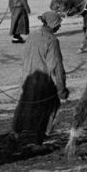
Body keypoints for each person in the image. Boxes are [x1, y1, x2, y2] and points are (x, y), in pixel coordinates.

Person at [11, 11, 69, 147]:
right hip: (43, 83)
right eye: (58, 24)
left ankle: (14, 133)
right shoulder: (52, 40)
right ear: (53, 25)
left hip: (27, 79)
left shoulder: (32, 36)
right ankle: (38, 141)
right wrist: (62, 89)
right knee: (50, 107)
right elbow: (56, 67)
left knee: (23, 106)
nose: (59, 27)